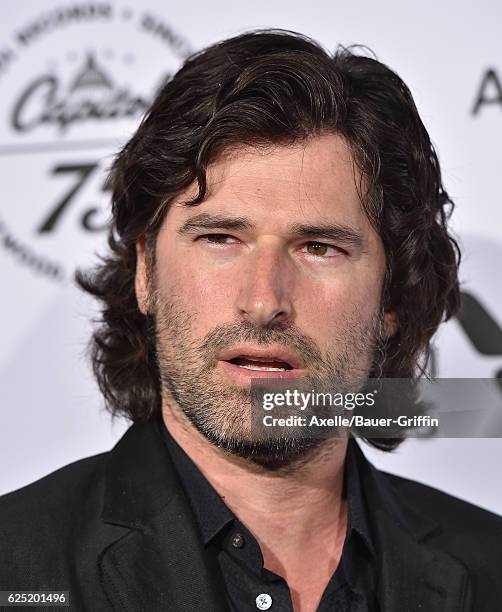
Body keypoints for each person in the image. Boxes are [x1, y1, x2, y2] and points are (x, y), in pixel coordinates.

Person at [0, 29, 501, 612]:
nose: (264, 302)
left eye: (319, 248)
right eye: (220, 238)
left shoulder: (491, 568)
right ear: (145, 271)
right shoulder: (17, 566)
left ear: (393, 297)